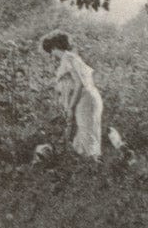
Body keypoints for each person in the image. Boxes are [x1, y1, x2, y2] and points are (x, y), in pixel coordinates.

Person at [41, 31, 104, 159]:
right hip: (88, 98)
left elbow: (79, 84)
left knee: (87, 136)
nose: (52, 55)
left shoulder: (68, 58)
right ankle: (91, 167)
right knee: (87, 135)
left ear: (54, 48)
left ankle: (93, 166)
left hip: (84, 99)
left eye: (51, 51)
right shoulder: (72, 58)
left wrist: (70, 107)